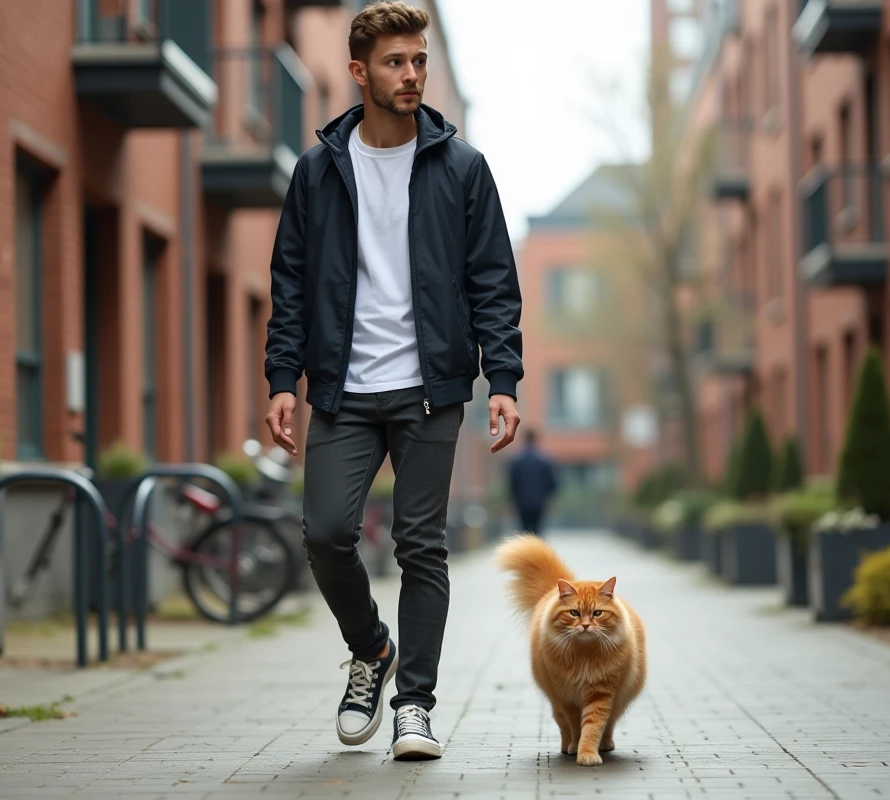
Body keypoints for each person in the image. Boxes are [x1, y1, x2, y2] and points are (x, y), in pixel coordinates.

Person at [262, 1, 522, 762]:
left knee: (421, 546)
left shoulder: (462, 168)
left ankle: (415, 703)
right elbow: (291, 282)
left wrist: (500, 376)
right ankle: (371, 650)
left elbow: (493, 281)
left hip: (431, 389)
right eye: (394, 63)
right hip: (342, 388)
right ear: (358, 73)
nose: (410, 75)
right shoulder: (317, 171)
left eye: (418, 62)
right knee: (326, 534)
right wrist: (285, 377)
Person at [507, 429, 558, 535]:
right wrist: (549, 499)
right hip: (539, 503)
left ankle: (526, 550)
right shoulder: (544, 461)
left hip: (521, 503)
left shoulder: (516, 461)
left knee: (524, 531)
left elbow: (512, 484)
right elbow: (552, 483)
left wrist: (511, 501)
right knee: (537, 531)